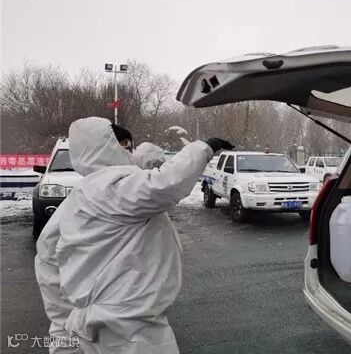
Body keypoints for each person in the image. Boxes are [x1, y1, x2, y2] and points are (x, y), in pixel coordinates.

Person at [35, 117, 233, 354]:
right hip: (128, 328)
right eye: (122, 144)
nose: (128, 150)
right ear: (105, 146)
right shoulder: (109, 187)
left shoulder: (82, 195)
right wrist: (204, 147)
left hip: (95, 322)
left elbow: (47, 259)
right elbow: (165, 185)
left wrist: (62, 331)